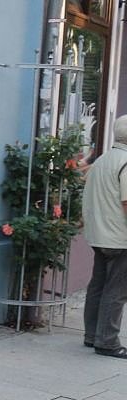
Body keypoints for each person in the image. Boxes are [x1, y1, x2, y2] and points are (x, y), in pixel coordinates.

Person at [82, 115, 127, 359]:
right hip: (120, 237)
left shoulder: (101, 160)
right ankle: (107, 342)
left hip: (99, 235)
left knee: (98, 286)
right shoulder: (125, 163)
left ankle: (91, 335)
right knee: (117, 290)